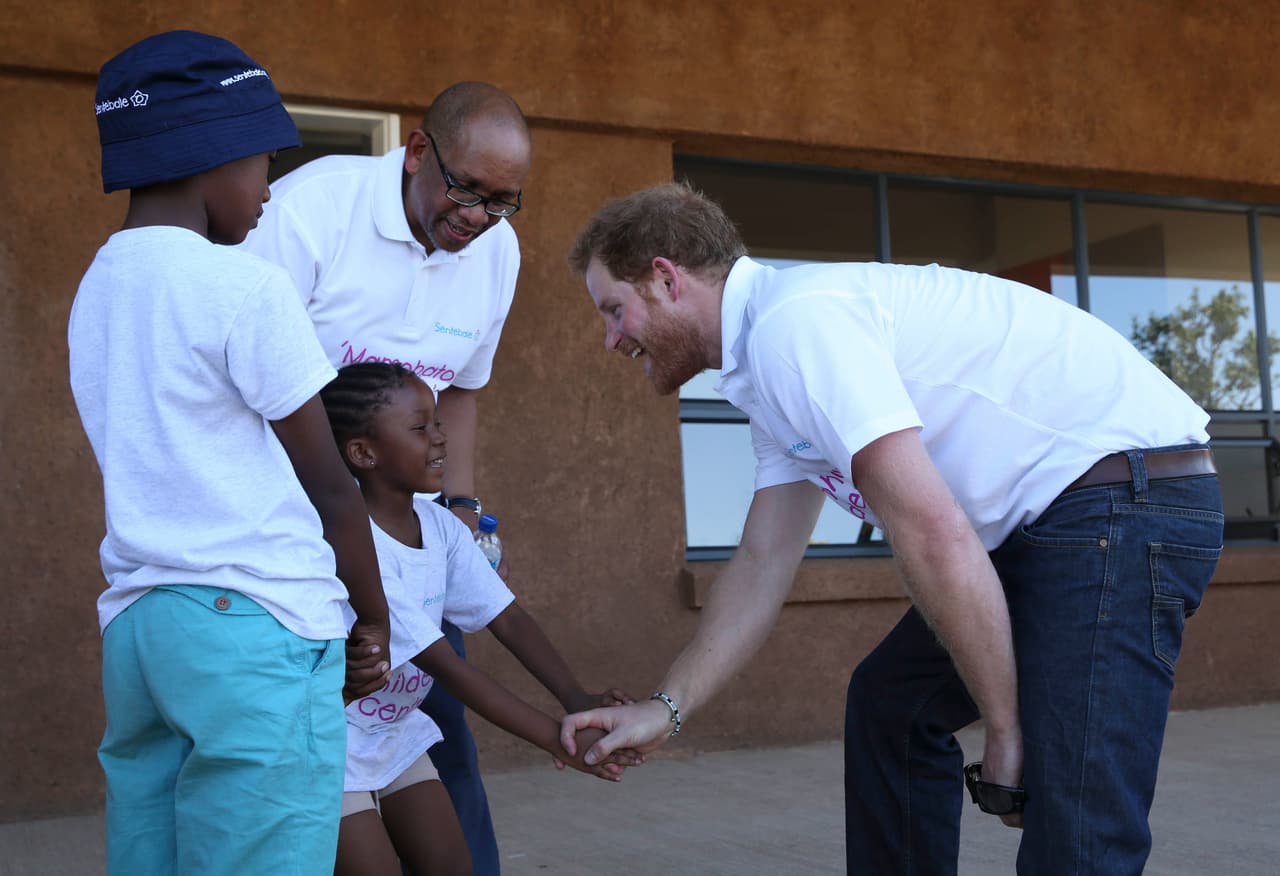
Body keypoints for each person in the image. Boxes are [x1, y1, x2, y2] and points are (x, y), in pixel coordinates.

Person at [559, 183, 1224, 876]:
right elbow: (761, 563)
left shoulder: (797, 327)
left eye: (614, 309)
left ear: (665, 279)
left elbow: (934, 533)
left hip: (1121, 501)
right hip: (1055, 522)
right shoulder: (767, 364)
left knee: (1077, 818)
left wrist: (1005, 729)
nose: (610, 338)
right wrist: (665, 708)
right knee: (893, 707)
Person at [69, 31, 392, 875]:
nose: (268, 193)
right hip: (256, 628)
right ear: (212, 156)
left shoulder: (97, 288)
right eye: (264, 164)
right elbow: (330, 486)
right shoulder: (244, 286)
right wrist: (373, 618)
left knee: (154, 857)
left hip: (141, 630)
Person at [242, 80, 529, 874]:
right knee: (316, 769)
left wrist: (461, 504)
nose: (477, 217)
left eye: (503, 202)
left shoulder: (496, 252)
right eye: (467, 190)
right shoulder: (307, 214)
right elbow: (240, 385)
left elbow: (464, 389)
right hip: (294, 557)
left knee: (438, 743)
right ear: (414, 152)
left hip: (411, 544)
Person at [320, 362, 637, 875]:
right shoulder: (355, 541)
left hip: (393, 730)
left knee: (451, 863)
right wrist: (559, 738)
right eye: (421, 428)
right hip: (331, 743)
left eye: (439, 423)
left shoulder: (440, 526)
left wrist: (575, 697)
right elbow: (448, 668)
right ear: (364, 453)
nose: (441, 438)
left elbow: (507, 619)